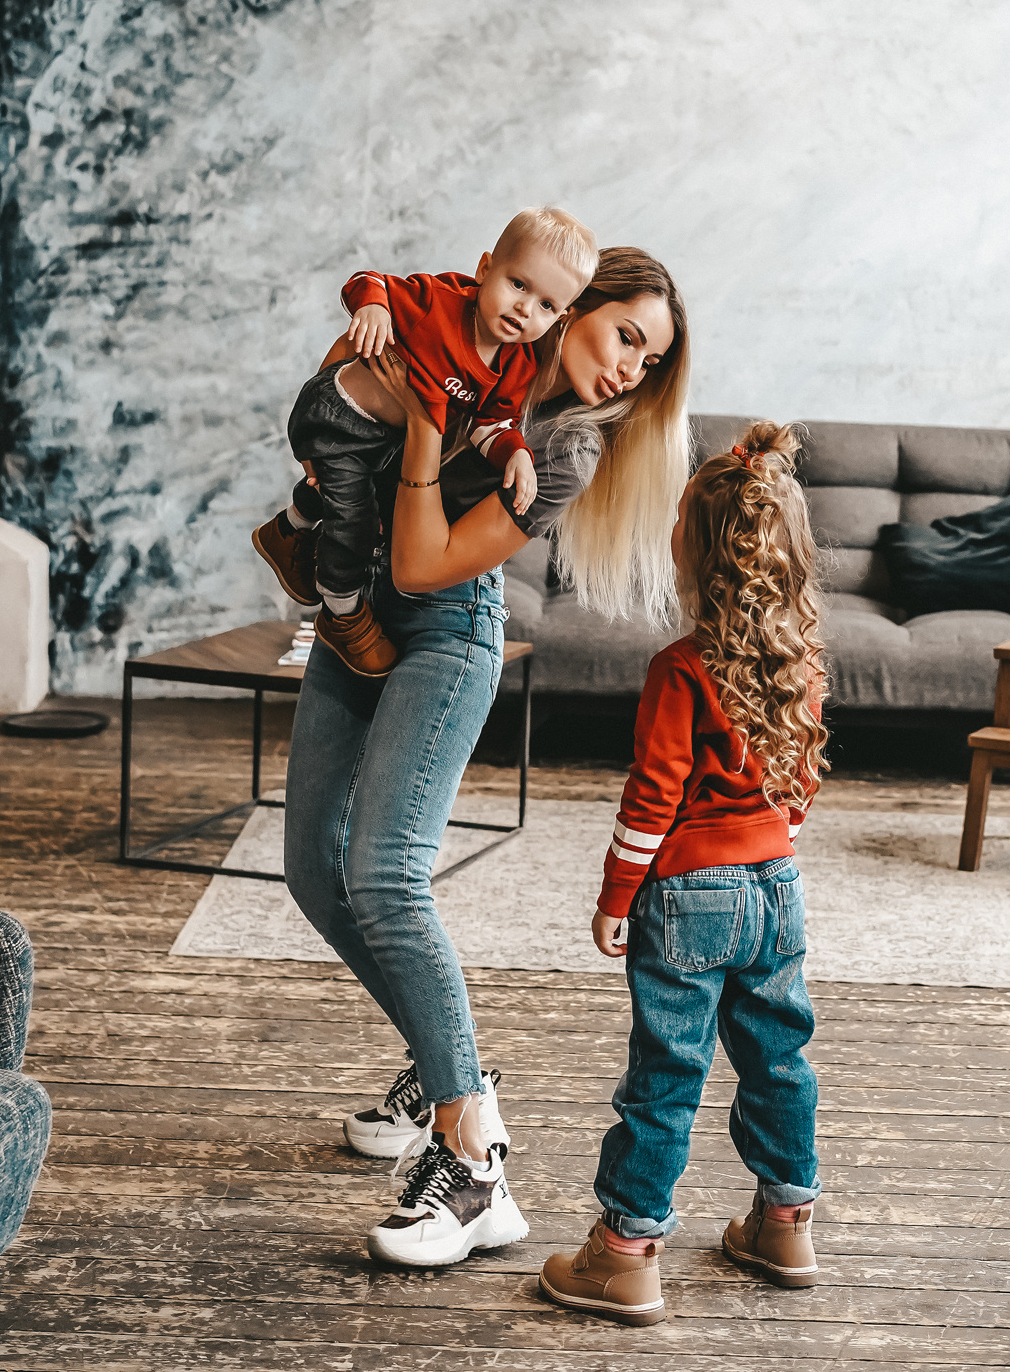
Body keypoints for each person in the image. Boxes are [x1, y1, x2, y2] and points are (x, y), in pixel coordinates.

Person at [281, 246, 690, 1269]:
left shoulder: (564, 452)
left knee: (385, 875)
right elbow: (340, 392)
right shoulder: (470, 340)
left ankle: (477, 1169)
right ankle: (440, 1059)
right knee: (307, 867)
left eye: (648, 362)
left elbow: (427, 560)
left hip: (446, 629)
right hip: (357, 614)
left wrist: (423, 420)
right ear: (572, 307)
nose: (629, 369)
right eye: (625, 335)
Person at [539, 422, 828, 1325]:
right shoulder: (804, 663)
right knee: (779, 1058)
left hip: (685, 897)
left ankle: (624, 1254)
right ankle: (786, 1222)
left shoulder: (679, 668)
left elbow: (651, 799)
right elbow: (801, 779)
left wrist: (615, 896)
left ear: (692, 555)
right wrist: (771, 839)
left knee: (668, 1072)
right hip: (776, 885)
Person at [252, 207, 598, 676]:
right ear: (484, 269)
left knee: (368, 505)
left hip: (383, 441)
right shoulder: (439, 302)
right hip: (339, 414)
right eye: (518, 285)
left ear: (560, 317)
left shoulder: (516, 368)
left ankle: (286, 531)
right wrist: (373, 308)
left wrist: (515, 452)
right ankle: (341, 614)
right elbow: (369, 281)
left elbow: (490, 424)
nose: (524, 308)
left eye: (546, 306)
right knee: (355, 523)